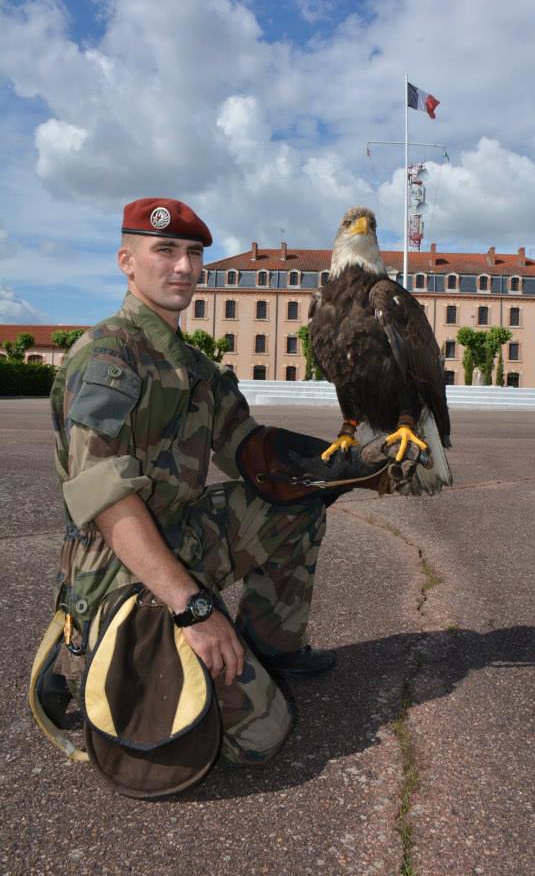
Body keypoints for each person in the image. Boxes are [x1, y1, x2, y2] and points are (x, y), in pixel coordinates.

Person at [38, 197, 344, 769]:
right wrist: (194, 607)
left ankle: (271, 647)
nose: (183, 267)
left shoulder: (194, 367)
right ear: (127, 261)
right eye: (166, 251)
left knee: (298, 506)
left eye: (193, 253)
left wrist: (342, 466)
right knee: (262, 736)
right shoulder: (108, 356)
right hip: (119, 564)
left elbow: (248, 448)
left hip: (183, 531)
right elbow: (104, 494)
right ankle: (102, 659)